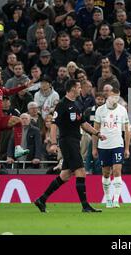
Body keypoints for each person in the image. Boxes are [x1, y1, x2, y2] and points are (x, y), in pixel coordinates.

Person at [34, 79, 105, 213]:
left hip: (74, 142)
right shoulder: (61, 105)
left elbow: (83, 123)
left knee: (65, 175)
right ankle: (85, 206)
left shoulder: (76, 104)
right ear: (72, 89)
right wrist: (54, 143)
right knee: (81, 172)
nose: (80, 89)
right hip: (68, 142)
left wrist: (97, 133)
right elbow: (54, 124)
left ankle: (41, 199)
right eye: (78, 87)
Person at [0, 65, 31, 184]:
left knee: (18, 120)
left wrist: (24, 86)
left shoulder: (0, 89)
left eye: (0, 76)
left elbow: (9, 91)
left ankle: (18, 148)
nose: (0, 79)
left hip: (0, 119)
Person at [92, 88, 130, 208]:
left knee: (117, 170)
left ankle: (116, 200)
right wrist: (94, 148)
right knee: (106, 173)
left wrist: (127, 148)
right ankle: (108, 198)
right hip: (103, 146)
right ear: (108, 96)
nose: (116, 99)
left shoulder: (122, 110)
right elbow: (95, 130)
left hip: (117, 144)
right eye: (113, 96)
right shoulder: (100, 110)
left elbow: (127, 130)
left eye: (117, 96)